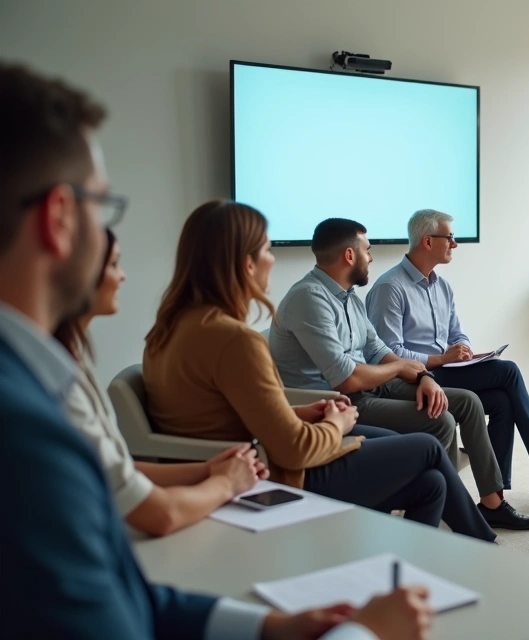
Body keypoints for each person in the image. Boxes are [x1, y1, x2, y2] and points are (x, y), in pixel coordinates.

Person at [0, 61, 431, 640]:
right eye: (103, 208)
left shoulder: (57, 376)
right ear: (57, 218)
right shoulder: (29, 426)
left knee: (421, 464)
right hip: (278, 471)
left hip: (251, 468)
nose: (112, 245)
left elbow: (127, 595)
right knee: (425, 451)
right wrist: (361, 634)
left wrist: (271, 627)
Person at [145, 202, 495, 542]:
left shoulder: (166, 331)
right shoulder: (236, 341)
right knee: (427, 448)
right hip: (278, 474)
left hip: (261, 451)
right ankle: (483, 547)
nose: (272, 259)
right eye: (267, 249)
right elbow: (294, 449)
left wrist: (299, 412)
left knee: (431, 483)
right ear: (246, 264)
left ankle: (414, 569)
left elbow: (223, 413)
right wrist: (335, 424)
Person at [366, 209, 529, 520]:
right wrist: (441, 359)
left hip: (445, 371)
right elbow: (387, 352)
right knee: (507, 371)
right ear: (428, 241)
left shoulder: (442, 287)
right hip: (413, 378)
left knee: (502, 401)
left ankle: (494, 499)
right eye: (449, 237)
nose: (454, 244)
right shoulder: (390, 287)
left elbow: (457, 332)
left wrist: (464, 347)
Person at [55, 230, 266, 536]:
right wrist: (225, 483)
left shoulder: (71, 357)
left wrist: (208, 469)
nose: (123, 276)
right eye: (115, 264)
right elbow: (162, 515)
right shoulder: (56, 379)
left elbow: (117, 472)